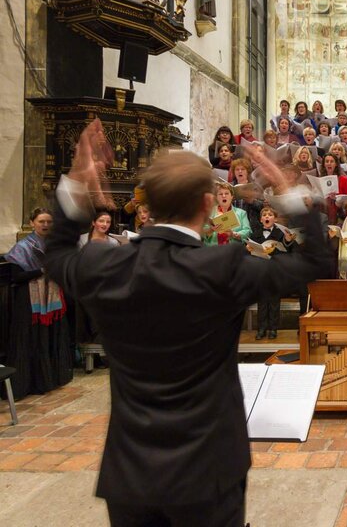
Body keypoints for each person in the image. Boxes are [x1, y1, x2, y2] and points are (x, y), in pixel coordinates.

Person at [44, 120, 326, 525]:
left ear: (149, 205)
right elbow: (315, 263)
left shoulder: (103, 264)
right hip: (208, 470)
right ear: (209, 204)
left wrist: (78, 183)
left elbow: (55, 256)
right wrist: (287, 189)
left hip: (131, 473)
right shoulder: (223, 267)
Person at [5, 208, 72, 400]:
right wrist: (42, 270)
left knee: (50, 336)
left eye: (49, 222)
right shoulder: (23, 247)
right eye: (41, 221)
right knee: (32, 338)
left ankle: (51, 378)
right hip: (29, 300)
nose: (45, 225)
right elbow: (16, 277)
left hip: (52, 297)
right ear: (32, 222)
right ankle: (31, 382)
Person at [247, 206, 296, 340]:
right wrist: (249, 248)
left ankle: (273, 329)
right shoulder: (255, 233)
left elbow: (287, 251)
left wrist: (287, 240)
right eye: (264, 215)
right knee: (262, 302)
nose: (267, 217)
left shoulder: (280, 234)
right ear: (261, 219)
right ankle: (261, 328)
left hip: (275, 270)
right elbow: (251, 251)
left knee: (274, 302)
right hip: (261, 271)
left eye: (270, 215)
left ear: (274, 218)